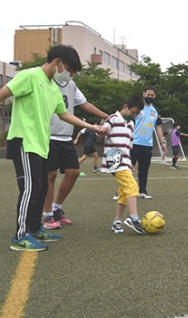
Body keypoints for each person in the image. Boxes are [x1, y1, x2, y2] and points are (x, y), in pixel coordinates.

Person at [0, 45, 106, 251]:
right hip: (23, 141)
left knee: (40, 188)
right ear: (57, 62)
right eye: (69, 70)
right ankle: (20, 236)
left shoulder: (52, 87)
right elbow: (3, 94)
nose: (70, 75)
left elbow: (64, 114)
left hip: (41, 145)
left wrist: (91, 126)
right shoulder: (29, 75)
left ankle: (35, 228)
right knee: (30, 189)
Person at [43, 80, 108, 231]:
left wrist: (110, 117)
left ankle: (56, 208)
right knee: (50, 175)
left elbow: (85, 104)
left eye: (73, 71)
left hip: (65, 137)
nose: (71, 73)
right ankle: (47, 215)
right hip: (48, 135)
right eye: (69, 68)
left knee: (74, 172)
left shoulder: (71, 84)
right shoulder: (45, 81)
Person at [99, 95, 146, 234]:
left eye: (137, 114)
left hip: (124, 160)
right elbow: (101, 134)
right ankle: (134, 218)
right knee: (132, 186)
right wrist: (101, 133)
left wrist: (129, 162)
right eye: (133, 112)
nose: (135, 116)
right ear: (126, 107)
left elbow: (128, 145)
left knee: (124, 192)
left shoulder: (131, 124)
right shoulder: (112, 118)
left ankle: (117, 221)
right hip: (114, 158)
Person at [130, 85, 166, 199]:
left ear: (155, 96)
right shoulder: (136, 107)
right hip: (133, 143)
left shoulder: (155, 111)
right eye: (148, 94)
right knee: (127, 169)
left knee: (144, 170)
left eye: (152, 95)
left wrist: (163, 142)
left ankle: (143, 191)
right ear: (143, 94)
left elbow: (158, 127)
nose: (149, 97)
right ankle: (121, 191)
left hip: (147, 145)